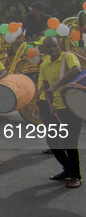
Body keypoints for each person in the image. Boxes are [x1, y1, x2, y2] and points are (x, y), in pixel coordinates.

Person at [39, 37, 82, 188]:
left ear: (59, 46)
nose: (52, 49)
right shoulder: (44, 65)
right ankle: (67, 169)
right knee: (52, 140)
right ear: (44, 49)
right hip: (56, 108)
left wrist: (56, 86)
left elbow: (76, 70)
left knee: (70, 142)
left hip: (71, 106)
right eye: (48, 47)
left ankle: (75, 176)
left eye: (54, 45)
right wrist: (50, 104)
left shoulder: (67, 57)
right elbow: (46, 88)